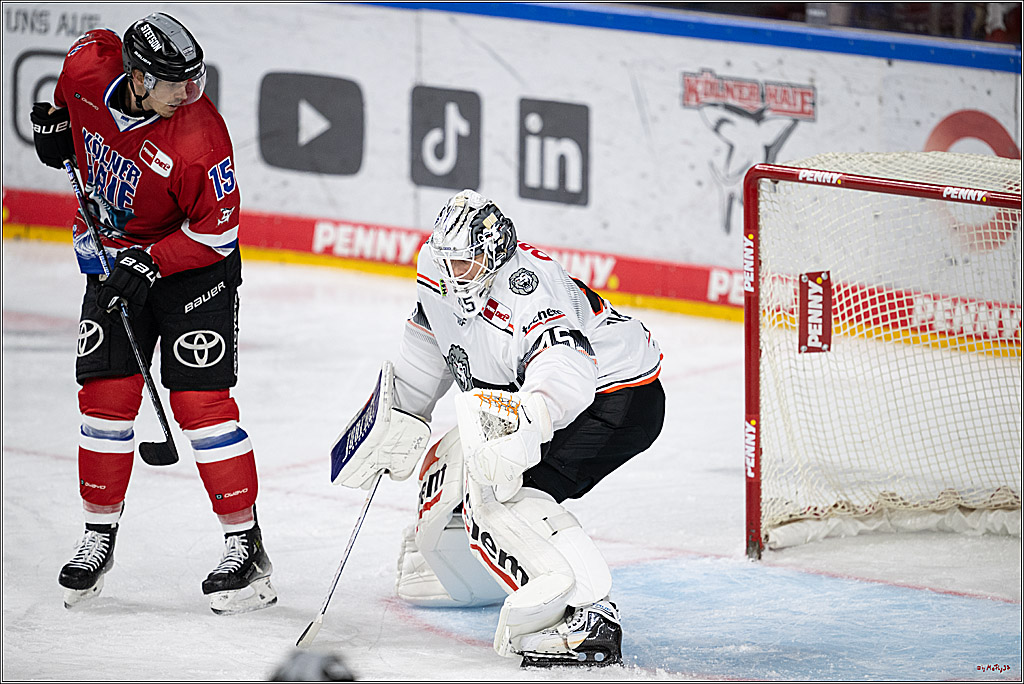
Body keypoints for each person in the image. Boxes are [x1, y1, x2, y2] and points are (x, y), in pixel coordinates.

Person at [331, 189, 665, 667]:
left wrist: (525, 430)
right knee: (454, 460)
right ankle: (470, 569)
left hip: (615, 398)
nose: (452, 275)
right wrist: (399, 416)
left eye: (464, 264)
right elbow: (432, 344)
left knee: (503, 491)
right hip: (539, 395)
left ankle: (590, 616)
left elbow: (566, 370)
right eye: (446, 262)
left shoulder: (527, 287)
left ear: (492, 255)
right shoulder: (438, 270)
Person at [29, 13, 275, 615]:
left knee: (200, 405)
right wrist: (59, 125)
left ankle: (246, 546)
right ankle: (98, 536)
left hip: (193, 270)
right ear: (136, 78)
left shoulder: (201, 137)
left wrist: (152, 261)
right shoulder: (88, 64)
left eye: (194, 81)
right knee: (106, 399)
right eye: (174, 84)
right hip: (114, 261)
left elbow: (219, 235)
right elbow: (69, 89)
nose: (188, 94)